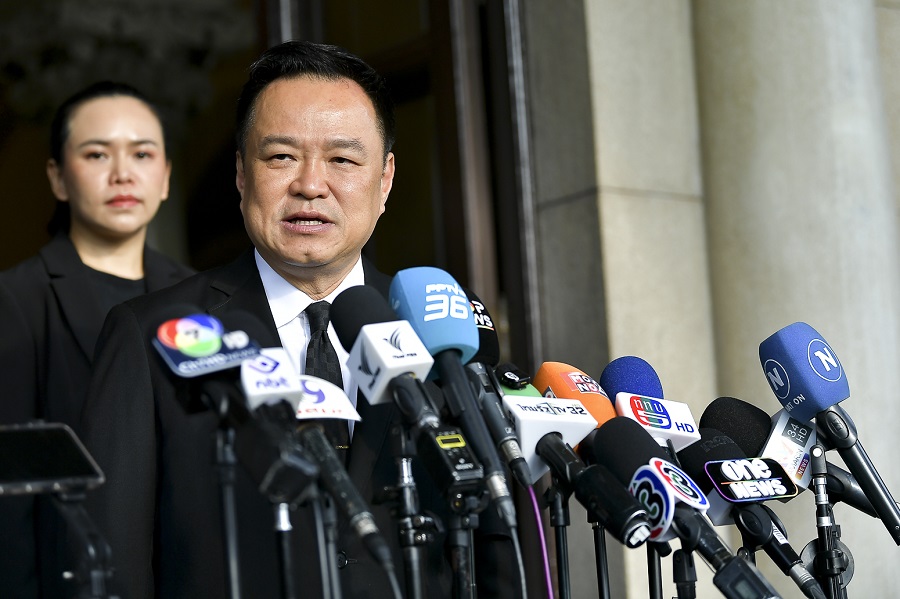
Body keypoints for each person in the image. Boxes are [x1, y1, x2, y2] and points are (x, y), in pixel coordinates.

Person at [80, 41, 521, 599]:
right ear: (242, 174)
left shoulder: (440, 329)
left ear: (385, 179)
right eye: (281, 157)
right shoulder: (151, 336)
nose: (310, 184)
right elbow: (111, 558)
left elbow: (496, 548)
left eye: (342, 160)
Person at [0, 82, 195, 597]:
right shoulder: (16, 301)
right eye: (96, 154)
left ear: (166, 176)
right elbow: (10, 499)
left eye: (142, 154)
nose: (122, 173)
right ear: (57, 177)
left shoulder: (200, 299)